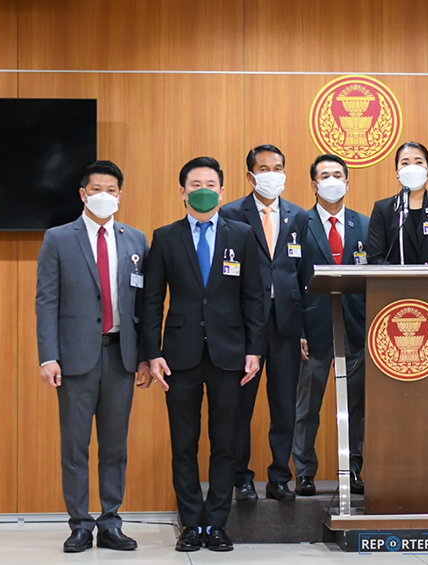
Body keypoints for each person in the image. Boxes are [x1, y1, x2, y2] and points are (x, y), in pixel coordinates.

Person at [142, 157, 264, 552]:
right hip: (179, 357)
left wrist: (255, 349)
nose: (203, 190)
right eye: (195, 184)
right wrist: (152, 353)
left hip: (230, 355)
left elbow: (254, 297)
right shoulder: (165, 237)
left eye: (210, 184)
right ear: (182, 192)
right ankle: (191, 525)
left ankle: (217, 524)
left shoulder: (242, 234)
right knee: (184, 445)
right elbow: (152, 301)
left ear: (222, 191)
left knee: (225, 444)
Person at [36, 160, 149, 553]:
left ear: (120, 195)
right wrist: (48, 356)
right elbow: (46, 301)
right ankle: (80, 525)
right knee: (75, 446)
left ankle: (111, 523)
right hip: (74, 359)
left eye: (112, 190)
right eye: (97, 189)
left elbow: (143, 305)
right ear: (83, 194)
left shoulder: (136, 240)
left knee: (115, 447)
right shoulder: (58, 238)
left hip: (121, 356)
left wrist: (146, 356)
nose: (105, 196)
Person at [220, 144, 309, 502]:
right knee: (241, 406)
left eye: (278, 168)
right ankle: (242, 478)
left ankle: (279, 476)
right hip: (245, 326)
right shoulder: (231, 213)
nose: (273, 174)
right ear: (250, 175)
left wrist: (304, 330)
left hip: (287, 323)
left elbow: (304, 274)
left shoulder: (298, 216)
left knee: (284, 407)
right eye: (264, 168)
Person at [293, 154, 369, 497]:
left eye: (338, 175)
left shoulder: (364, 224)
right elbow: (292, 280)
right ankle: (304, 472)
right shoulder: (298, 223)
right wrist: (299, 330)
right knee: (307, 406)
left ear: (348, 182)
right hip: (314, 328)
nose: (332, 181)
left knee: (357, 406)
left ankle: (353, 469)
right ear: (314, 184)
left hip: (357, 327)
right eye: (325, 176)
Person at [366, 141, 428, 265]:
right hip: (395, 278)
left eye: (418, 162)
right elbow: (375, 258)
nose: (412, 168)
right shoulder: (383, 209)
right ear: (397, 171)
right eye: (405, 163)